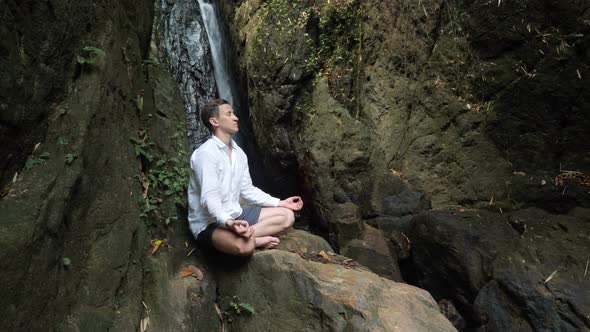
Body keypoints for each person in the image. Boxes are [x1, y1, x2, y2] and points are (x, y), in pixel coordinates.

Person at [188, 99, 303, 256]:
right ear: (214, 121)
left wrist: (280, 203)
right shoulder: (206, 154)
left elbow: (247, 190)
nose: (235, 117)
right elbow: (209, 199)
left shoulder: (239, 153)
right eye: (229, 114)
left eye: (234, 113)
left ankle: (248, 235)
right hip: (209, 223)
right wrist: (229, 223)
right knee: (244, 247)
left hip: (236, 214)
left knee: (287, 215)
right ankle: (254, 240)